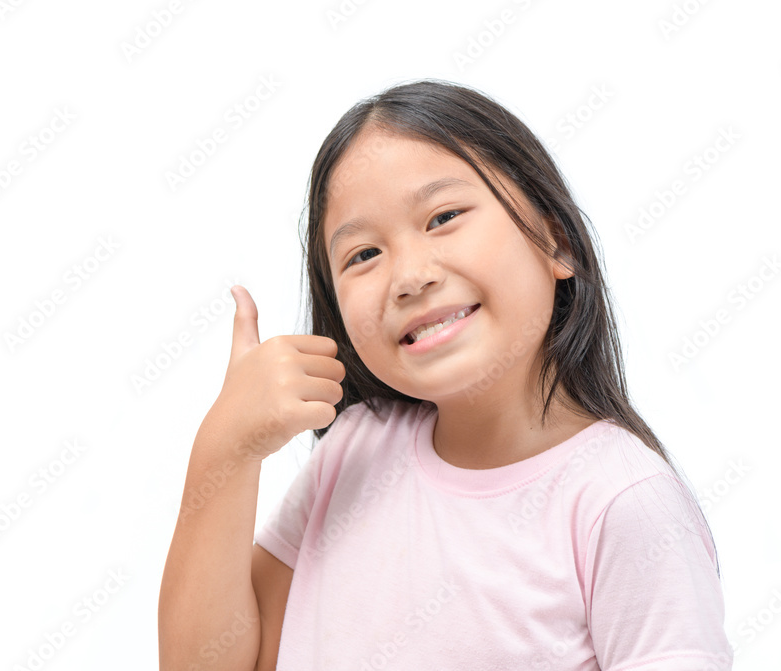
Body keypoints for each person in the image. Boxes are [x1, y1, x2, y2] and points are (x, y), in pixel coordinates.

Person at [158, 79, 733, 671]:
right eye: (363, 254)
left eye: (444, 216)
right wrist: (226, 450)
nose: (410, 275)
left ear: (557, 241)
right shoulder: (356, 448)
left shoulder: (622, 500)